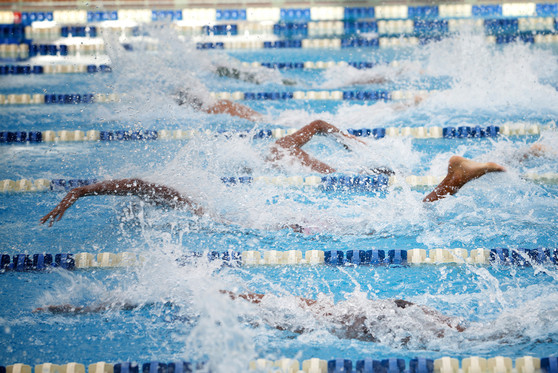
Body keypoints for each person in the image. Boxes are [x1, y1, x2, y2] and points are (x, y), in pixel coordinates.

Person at [39, 120, 506, 226]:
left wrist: (83, 190)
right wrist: (83, 191)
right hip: (284, 217)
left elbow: (144, 186)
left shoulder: (200, 209)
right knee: (380, 221)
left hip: (281, 223)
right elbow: (144, 187)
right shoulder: (210, 203)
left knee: (375, 225)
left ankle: (453, 182)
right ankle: (451, 183)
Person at [33, 289, 465, 343]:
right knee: (470, 337)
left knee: (468, 340)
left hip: (369, 320)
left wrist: (77, 308)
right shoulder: (280, 305)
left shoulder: (267, 310)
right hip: (380, 309)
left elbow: (140, 301)